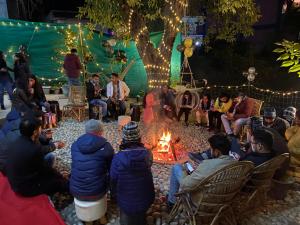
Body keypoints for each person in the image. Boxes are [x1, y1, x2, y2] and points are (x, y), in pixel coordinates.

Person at [5, 116, 68, 197]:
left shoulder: (17, 141)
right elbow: (44, 169)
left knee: (51, 169)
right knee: (57, 182)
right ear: (35, 132)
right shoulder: (33, 149)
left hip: (16, 180)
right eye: (40, 128)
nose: (41, 130)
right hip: (24, 188)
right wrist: (60, 175)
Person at [167, 133, 235, 207]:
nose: (210, 151)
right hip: (225, 200)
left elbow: (186, 185)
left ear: (217, 151)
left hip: (204, 201)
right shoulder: (236, 164)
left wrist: (184, 171)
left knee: (176, 167)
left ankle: (171, 202)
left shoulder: (208, 164)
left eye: (211, 149)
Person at [110, 122, 155, 225]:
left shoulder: (118, 158)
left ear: (124, 138)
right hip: (146, 199)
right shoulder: (148, 154)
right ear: (139, 137)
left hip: (125, 202)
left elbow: (113, 179)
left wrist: (114, 196)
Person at [70, 119, 114, 201]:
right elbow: (112, 169)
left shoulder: (75, 145)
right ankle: (114, 197)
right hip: (97, 193)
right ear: (101, 131)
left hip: (76, 191)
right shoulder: (106, 147)